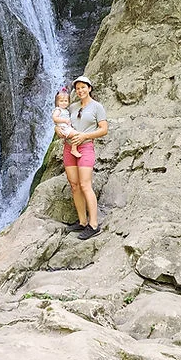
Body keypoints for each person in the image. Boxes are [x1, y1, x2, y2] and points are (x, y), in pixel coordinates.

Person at [61, 74, 107, 240]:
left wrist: (85, 137)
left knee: (85, 185)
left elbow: (104, 129)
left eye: (83, 87)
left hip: (86, 148)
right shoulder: (72, 107)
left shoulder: (97, 107)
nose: (80, 90)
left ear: (89, 88)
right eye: (77, 88)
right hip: (68, 148)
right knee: (74, 185)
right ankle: (82, 221)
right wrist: (58, 131)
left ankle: (93, 225)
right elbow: (62, 124)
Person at [52, 89, 81, 158]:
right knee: (77, 134)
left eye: (65, 101)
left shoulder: (66, 110)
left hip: (67, 128)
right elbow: (54, 118)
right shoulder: (58, 110)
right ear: (57, 102)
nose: (63, 103)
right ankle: (74, 149)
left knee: (76, 134)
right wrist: (65, 120)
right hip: (64, 128)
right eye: (61, 101)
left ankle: (71, 146)